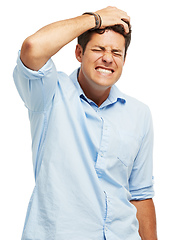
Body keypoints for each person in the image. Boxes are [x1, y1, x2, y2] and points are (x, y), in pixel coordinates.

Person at [13, 6, 157, 240]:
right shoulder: (49, 94)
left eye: (116, 52)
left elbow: (140, 194)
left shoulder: (139, 114)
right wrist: (94, 20)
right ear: (79, 53)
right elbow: (33, 47)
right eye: (99, 49)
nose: (108, 58)